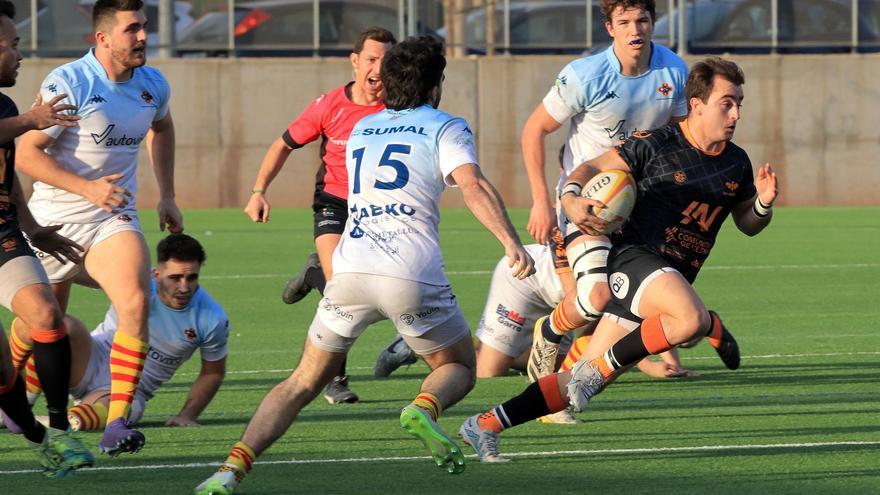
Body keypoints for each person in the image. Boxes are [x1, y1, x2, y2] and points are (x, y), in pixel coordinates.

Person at [194, 36, 535, 495]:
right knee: (457, 365)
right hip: (410, 274)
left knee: (301, 381)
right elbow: (471, 184)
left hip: (350, 271)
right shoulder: (445, 125)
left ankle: (230, 469)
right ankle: (424, 408)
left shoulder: (362, 129)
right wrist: (512, 242)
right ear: (436, 84)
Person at [460, 57, 779, 462]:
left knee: (573, 382)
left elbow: (747, 224)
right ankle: (598, 368)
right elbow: (591, 165)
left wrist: (764, 203)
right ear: (697, 104)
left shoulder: (737, 161)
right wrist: (571, 195)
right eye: (726, 102)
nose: (735, 113)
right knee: (692, 320)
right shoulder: (656, 143)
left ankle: (486, 424)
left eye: (739, 103)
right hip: (634, 259)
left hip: (667, 278)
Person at [14, 0, 183, 456]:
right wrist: (87, 189)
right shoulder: (71, 82)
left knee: (134, 300)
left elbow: (162, 129)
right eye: (133, 29)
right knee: (43, 325)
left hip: (113, 217)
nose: (144, 36)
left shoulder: (152, 84)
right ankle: (16, 400)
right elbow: (26, 155)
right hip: (54, 220)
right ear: (103, 38)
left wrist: (166, 193)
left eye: (145, 26)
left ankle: (116, 422)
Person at [520, 0, 689, 383]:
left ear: (653, 23)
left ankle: (571, 382)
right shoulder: (585, 75)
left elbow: (680, 141)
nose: (635, 30)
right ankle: (549, 332)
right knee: (597, 299)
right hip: (587, 203)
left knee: (650, 304)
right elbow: (534, 130)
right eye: (624, 22)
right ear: (609, 27)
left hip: (643, 207)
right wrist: (541, 200)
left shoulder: (674, 70)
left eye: (642, 20)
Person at [243, 27, 397, 405]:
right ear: (355, 61)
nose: (379, 69)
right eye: (372, 59)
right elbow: (283, 144)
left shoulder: (398, 106)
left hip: (378, 209)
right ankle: (336, 379)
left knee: (389, 286)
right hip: (333, 203)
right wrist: (258, 192)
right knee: (341, 292)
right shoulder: (330, 105)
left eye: (388, 61)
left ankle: (314, 274)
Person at [0, 0, 94, 477]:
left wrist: (32, 225)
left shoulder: (6, 106)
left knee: (45, 313)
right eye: (12, 45)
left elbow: (6, 174)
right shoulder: (18, 116)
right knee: (0, 373)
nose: (19, 54)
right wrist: (30, 122)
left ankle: (57, 428)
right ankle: (38, 437)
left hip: (1, 232)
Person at [18, 234, 228, 431]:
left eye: (191, 278)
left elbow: (213, 372)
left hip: (128, 390)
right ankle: (19, 405)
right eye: (175, 278)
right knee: (52, 322)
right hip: (90, 358)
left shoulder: (212, 318)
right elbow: (77, 272)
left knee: (116, 413)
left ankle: (59, 421)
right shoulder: (137, 280)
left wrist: (188, 415)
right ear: (157, 273)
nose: (184, 287)